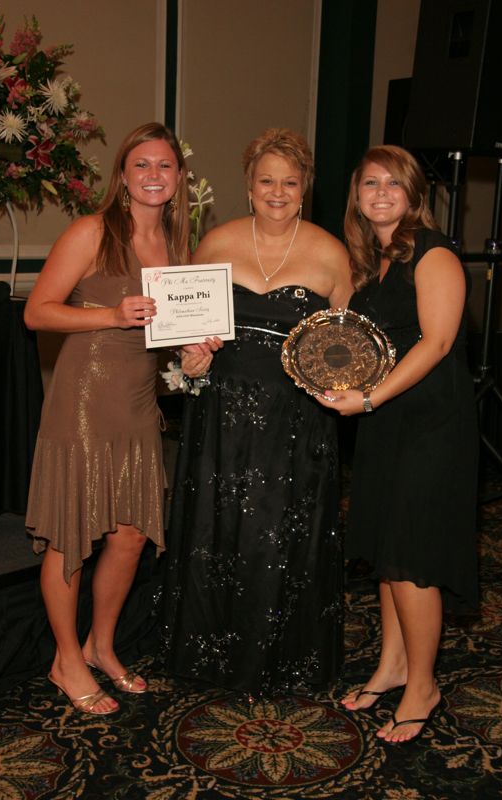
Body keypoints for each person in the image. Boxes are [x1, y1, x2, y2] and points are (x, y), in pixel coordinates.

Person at [160, 128, 351, 695]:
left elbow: (345, 348)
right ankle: (212, 652)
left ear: (304, 188)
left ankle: (280, 657)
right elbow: (188, 335)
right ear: (249, 186)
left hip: (297, 418)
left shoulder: (332, 253)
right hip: (220, 412)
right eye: (266, 180)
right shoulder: (215, 242)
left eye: (289, 182)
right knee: (217, 528)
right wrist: (190, 355)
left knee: (280, 532)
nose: (277, 191)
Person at [24, 122, 190, 715]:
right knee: (73, 533)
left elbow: (165, 329)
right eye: (141, 165)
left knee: (131, 534)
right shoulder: (92, 231)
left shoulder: (176, 246)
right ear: (122, 174)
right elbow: (38, 313)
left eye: (164, 166)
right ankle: (65, 659)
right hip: (85, 402)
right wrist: (109, 315)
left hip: (140, 403)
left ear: (178, 178)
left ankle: (101, 644)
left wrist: (193, 349)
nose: (153, 176)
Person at [316, 145, 478, 744]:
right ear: (356, 196)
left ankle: (423, 686)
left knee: (413, 557)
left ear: (413, 194)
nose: (381, 193)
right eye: (369, 183)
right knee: (388, 550)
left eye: (393, 183)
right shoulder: (376, 260)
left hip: (430, 425)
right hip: (386, 420)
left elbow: (435, 344)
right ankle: (392, 665)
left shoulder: (435, 253)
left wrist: (367, 399)